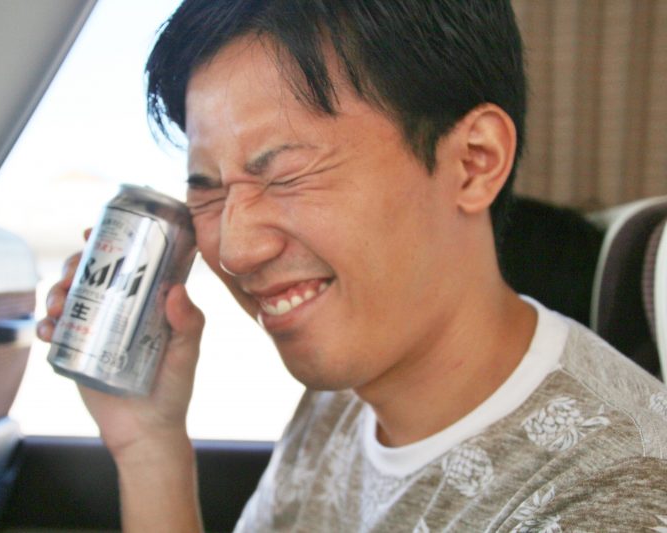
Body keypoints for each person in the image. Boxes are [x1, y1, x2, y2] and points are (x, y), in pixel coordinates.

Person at [37, 1, 667, 531]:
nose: (235, 250)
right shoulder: (343, 394)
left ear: (474, 161)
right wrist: (149, 444)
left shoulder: (615, 499)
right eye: (209, 191)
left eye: (287, 174)